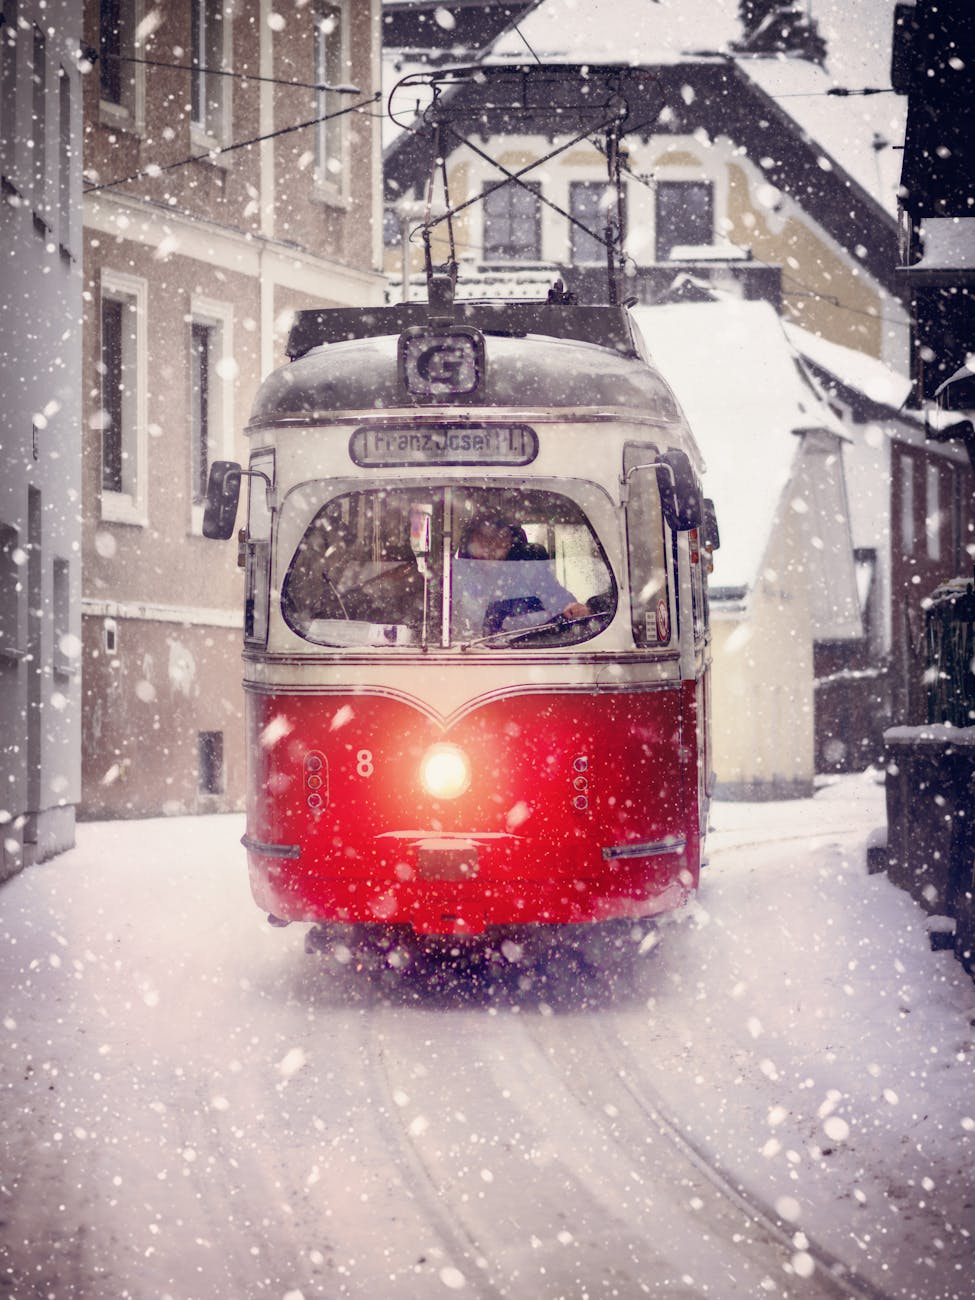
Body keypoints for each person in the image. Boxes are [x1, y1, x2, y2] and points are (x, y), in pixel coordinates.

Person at [455, 514, 591, 637]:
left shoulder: (530, 573)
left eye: (500, 541)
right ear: (469, 543)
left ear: (509, 544)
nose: (490, 548)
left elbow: (561, 601)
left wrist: (573, 608)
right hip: (463, 650)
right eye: (482, 540)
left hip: (521, 647)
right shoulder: (455, 575)